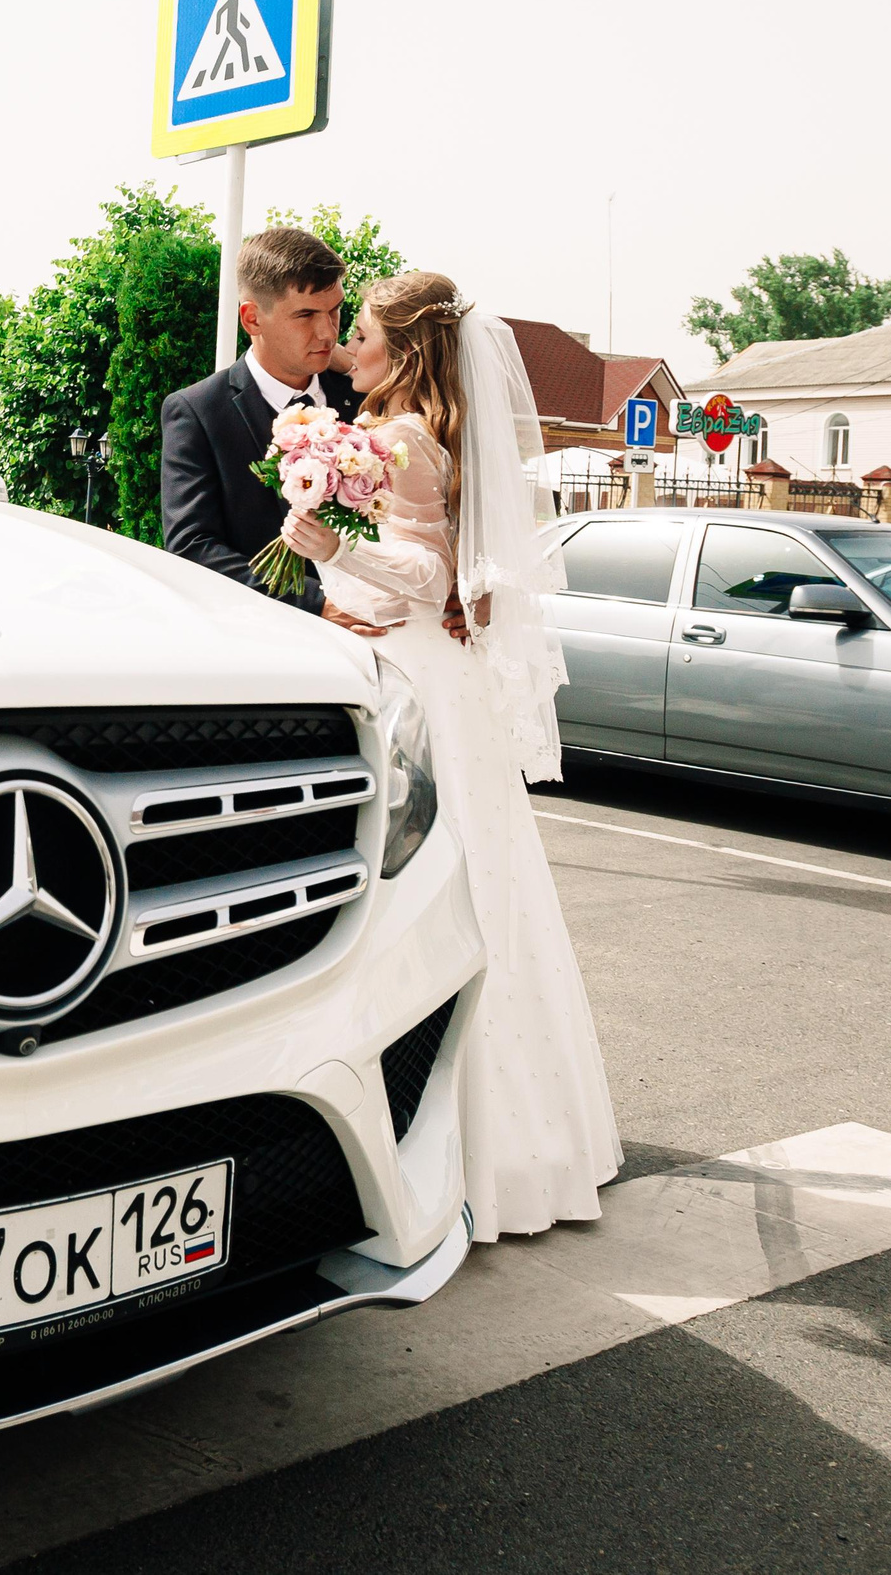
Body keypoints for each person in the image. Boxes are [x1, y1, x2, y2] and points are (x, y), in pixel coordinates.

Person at [277, 270, 621, 1240]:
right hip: (447, 675)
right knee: (492, 892)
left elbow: (421, 575)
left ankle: (457, 1157)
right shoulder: (445, 432)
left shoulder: (398, 437)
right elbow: (434, 585)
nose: (349, 348)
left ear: (405, 348)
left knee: (432, 900)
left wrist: (325, 549)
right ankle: (529, 1145)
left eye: (365, 335)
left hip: (423, 686)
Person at [160, 227, 366, 621]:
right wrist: (316, 602)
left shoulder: (365, 395)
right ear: (252, 318)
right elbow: (193, 546)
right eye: (305, 314)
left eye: (335, 310)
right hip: (270, 637)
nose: (327, 331)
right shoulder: (199, 411)